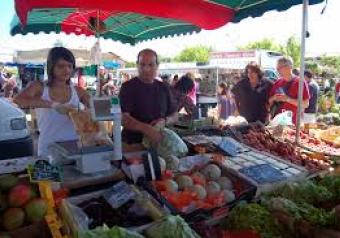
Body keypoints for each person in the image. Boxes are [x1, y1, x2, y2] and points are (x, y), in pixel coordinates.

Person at [14, 47, 90, 157]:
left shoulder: (78, 91)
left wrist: (84, 114)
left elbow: (96, 109)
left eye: (70, 66)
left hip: (74, 147)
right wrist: (53, 105)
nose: (67, 70)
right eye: (61, 66)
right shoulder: (39, 87)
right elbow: (18, 100)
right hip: (48, 148)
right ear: (51, 67)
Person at [119, 49, 176, 144]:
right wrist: (147, 129)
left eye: (150, 65)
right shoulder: (128, 87)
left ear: (157, 66)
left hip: (159, 145)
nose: (146, 69)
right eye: (142, 64)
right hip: (133, 145)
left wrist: (165, 121)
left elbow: (175, 115)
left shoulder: (164, 87)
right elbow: (123, 118)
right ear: (137, 65)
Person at [269, 57, 310, 125]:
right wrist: (274, 98)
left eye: (280, 67)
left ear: (289, 67)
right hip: (278, 123)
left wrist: (288, 99)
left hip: (293, 124)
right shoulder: (277, 82)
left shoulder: (300, 82)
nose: (277, 70)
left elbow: (305, 104)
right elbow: (269, 101)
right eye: (277, 67)